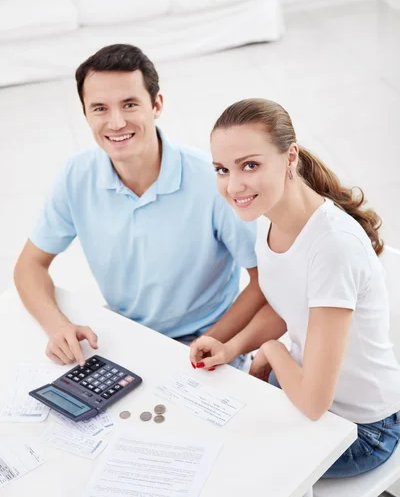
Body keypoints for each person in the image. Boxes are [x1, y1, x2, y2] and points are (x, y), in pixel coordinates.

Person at [13, 45, 285, 370]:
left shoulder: (213, 180)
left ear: (156, 105)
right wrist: (57, 327)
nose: (116, 122)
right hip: (125, 337)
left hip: (208, 341)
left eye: (130, 105)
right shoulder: (76, 175)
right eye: (99, 108)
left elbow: (265, 280)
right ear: (85, 114)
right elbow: (29, 266)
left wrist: (212, 341)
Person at [190, 98, 400, 478]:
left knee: (226, 464)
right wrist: (232, 346)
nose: (233, 185)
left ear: (290, 158)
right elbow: (285, 301)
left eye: (250, 165)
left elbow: (313, 402)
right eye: (222, 169)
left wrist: (269, 349)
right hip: (303, 396)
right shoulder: (266, 216)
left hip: (363, 430)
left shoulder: (333, 246)